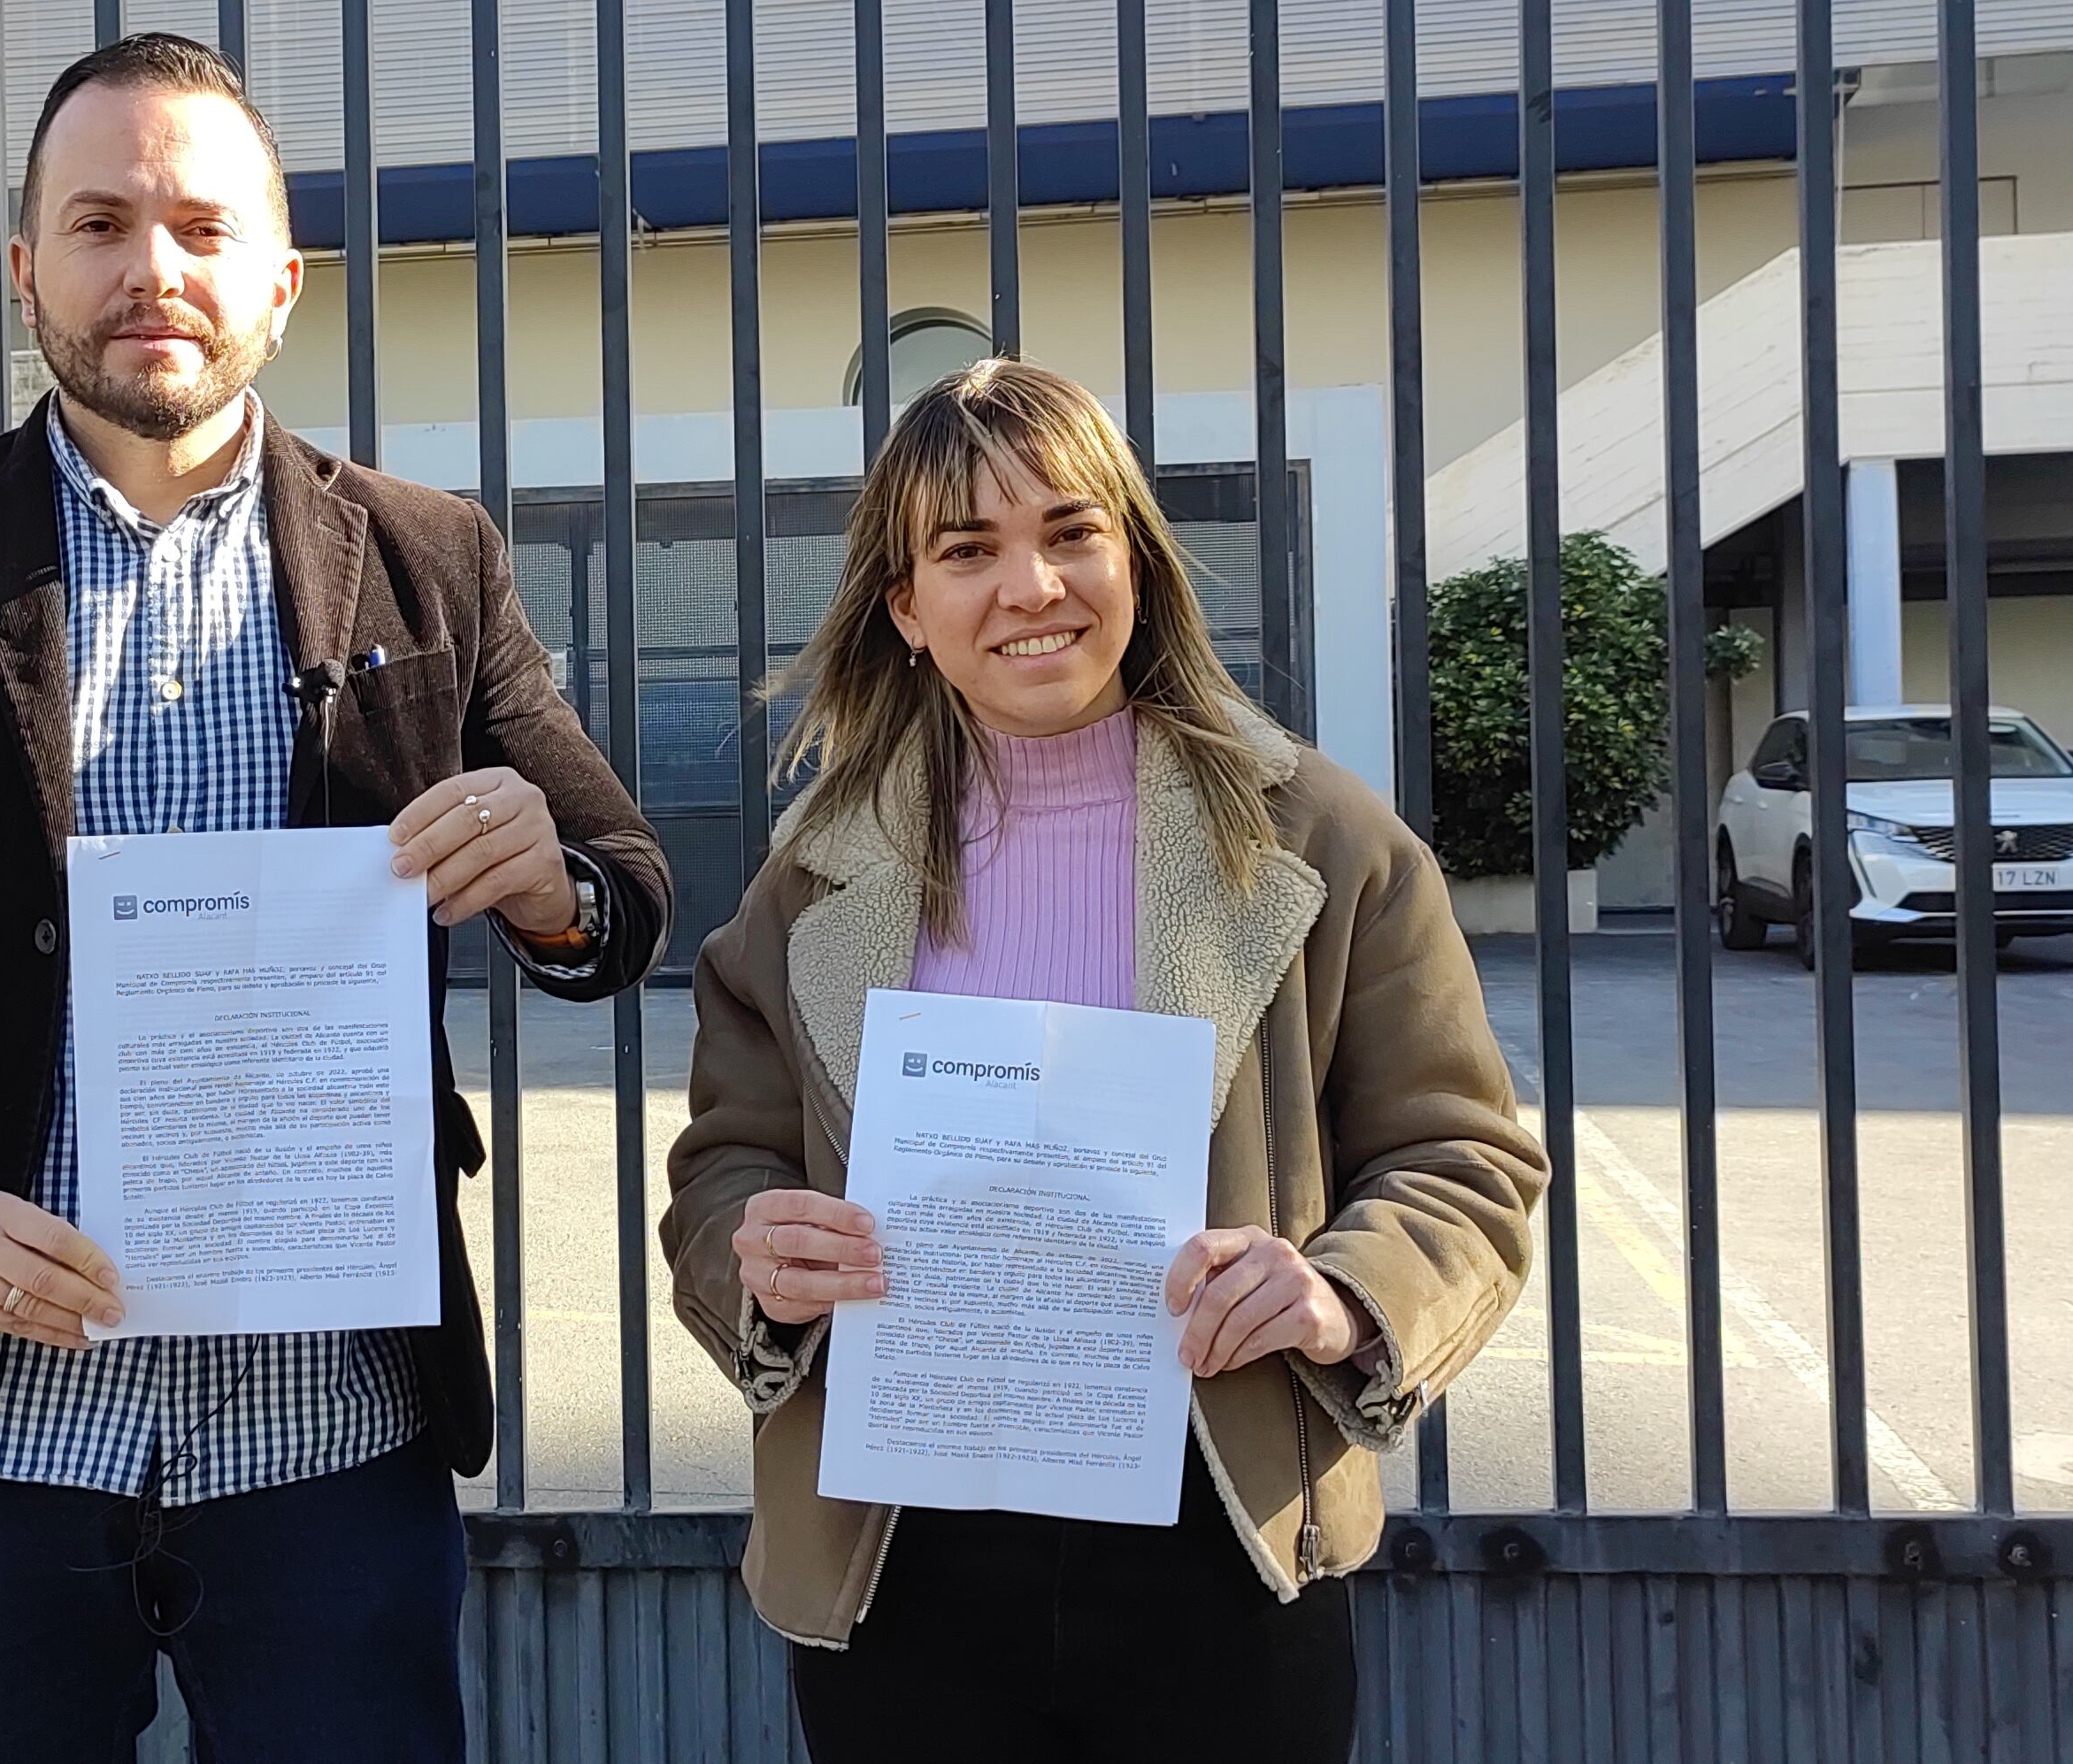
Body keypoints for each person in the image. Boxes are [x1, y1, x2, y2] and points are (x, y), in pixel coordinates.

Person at [0, 34, 669, 1764]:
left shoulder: (434, 557)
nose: (153, 268)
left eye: (202, 227)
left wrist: (554, 886)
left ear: (278, 283)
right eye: (101, 220)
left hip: (328, 1448)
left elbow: (624, 891)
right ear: (25, 268)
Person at [656, 359, 1543, 1760]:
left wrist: (1336, 1294)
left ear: (1133, 556)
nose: (1033, 586)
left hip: (1223, 1537)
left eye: (1072, 532)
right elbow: (725, 1163)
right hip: (901, 1557)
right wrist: (751, 1251)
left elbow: (1468, 1155)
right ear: (904, 606)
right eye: (968, 550)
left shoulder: (1320, 838)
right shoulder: (812, 874)